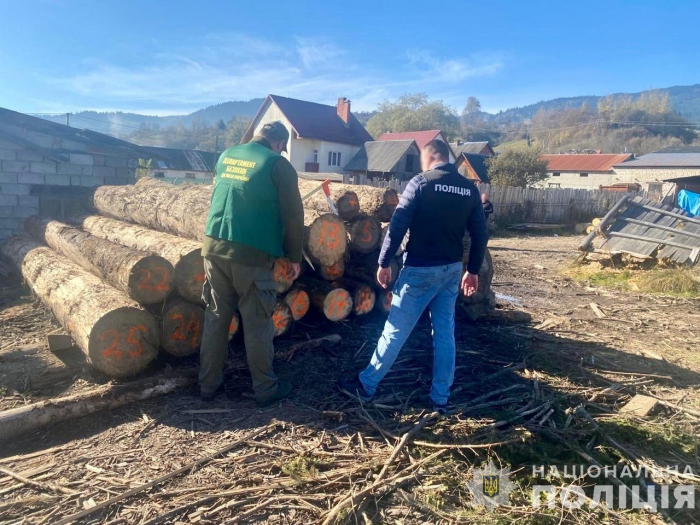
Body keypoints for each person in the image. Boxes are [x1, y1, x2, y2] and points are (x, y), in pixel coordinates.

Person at [338, 140, 489, 413]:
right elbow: (480, 234)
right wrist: (473, 271)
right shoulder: (469, 189)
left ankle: (366, 386)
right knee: (445, 333)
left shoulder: (421, 183)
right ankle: (440, 398)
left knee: (395, 330)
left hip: (420, 270)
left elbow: (397, 226)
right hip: (451, 270)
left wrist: (383, 261)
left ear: (429, 156)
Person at [199, 121, 304, 406]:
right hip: (250, 255)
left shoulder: (227, 155)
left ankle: (208, 385)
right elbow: (293, 218)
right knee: (257, 324)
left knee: (216, 318)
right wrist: (294, 257)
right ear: (281, 143)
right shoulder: (277, 165)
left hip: (213, 247)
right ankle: (266, 389)